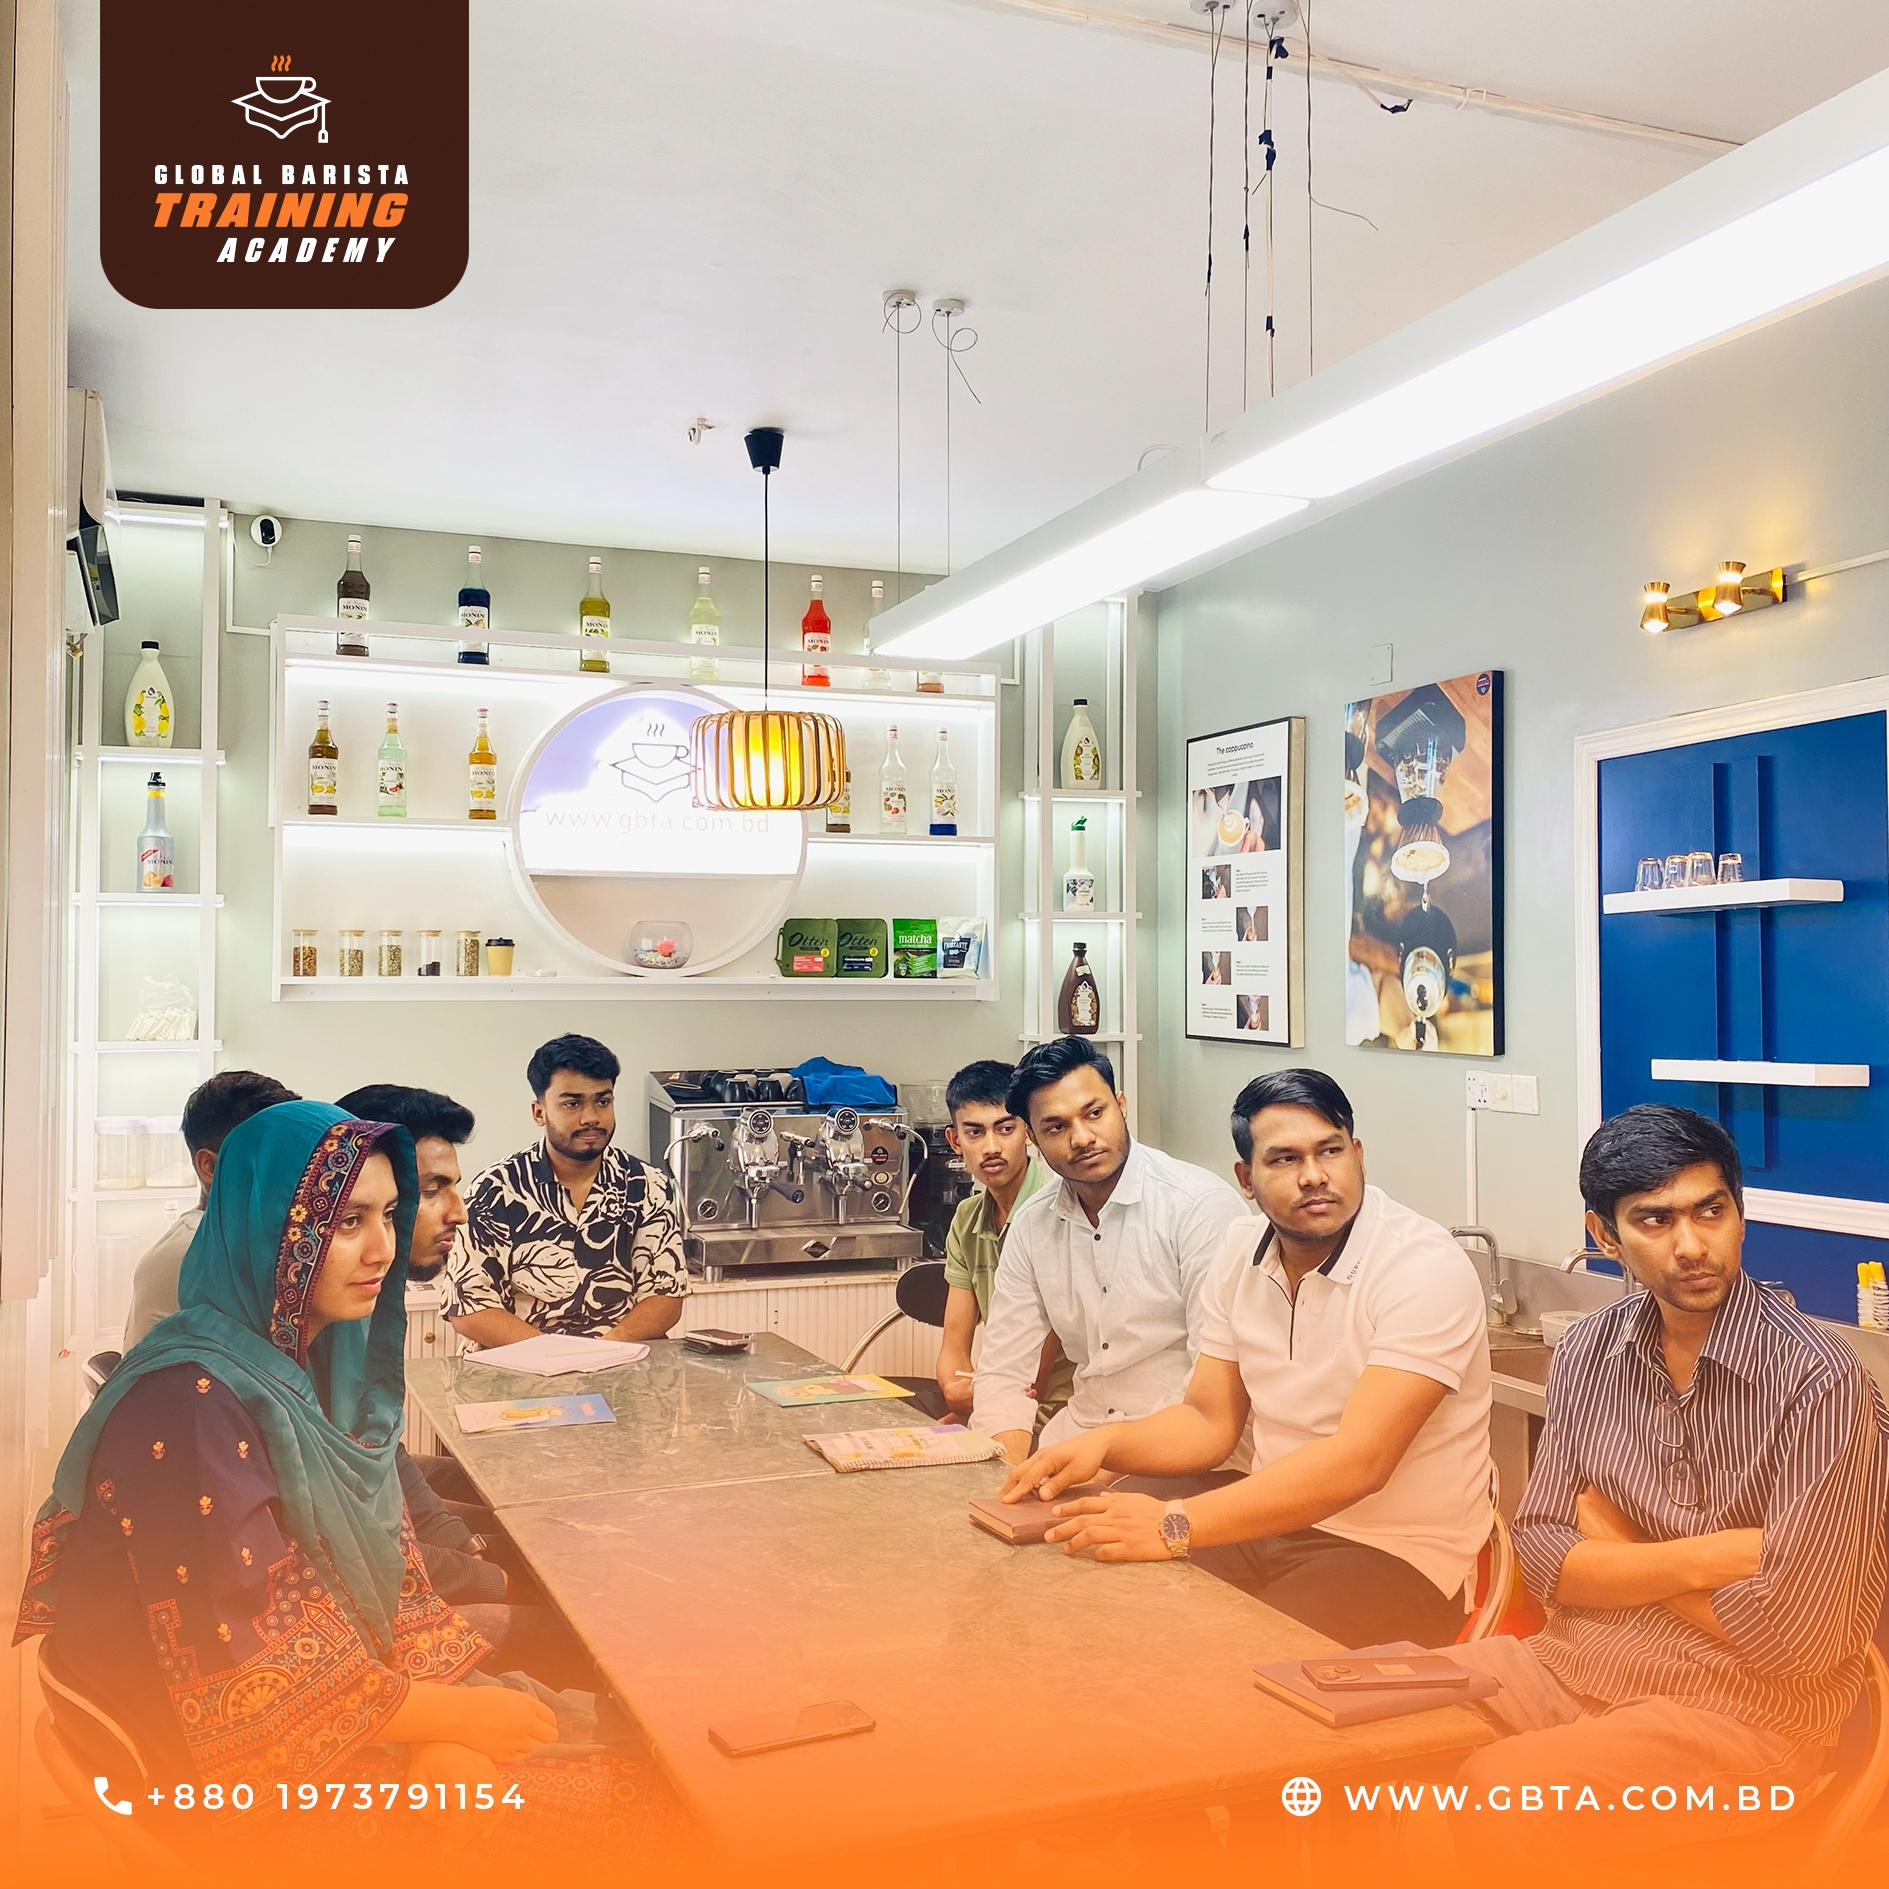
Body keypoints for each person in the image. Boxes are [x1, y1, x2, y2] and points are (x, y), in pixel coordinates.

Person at [15, 1101, 665, 1848]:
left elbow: (368, 1590)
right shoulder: (189, 1405)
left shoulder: (284, 1368)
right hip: (234, 1787)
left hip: (353, 1719)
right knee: (648, 1811)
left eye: (389, 1215)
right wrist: (449, 1718)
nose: (383, 1248)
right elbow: (250, 1682)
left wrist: (436, 1729)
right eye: (347, 1221)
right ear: (269, 1231)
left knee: (636, 1760)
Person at [1437, 1104, 1889, 1870]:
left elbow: (1797, 1640)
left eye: (1710, 1211)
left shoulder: (1820, 1382)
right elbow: (1546, 1556)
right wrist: (1710, 1558)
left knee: (1500, 1791)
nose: (1690, 1244)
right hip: (1570, 1664)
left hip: (1747, 1714)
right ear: (1603, 1233)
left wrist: (1619, 1551)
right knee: (1357, 1714)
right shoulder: (1587, 1350)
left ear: (1738, 1214)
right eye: (1654, 1219)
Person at [1003, 1068, 1492, 1648]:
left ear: (1358, 1155)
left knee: (1231, 1660)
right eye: (1284, 1159)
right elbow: (1209, 1421)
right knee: (1090, 1605)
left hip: (1394, 1550)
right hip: (1266, 1519)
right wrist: (1105, 1445)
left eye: (1330, 1151)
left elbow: (1359, 1463)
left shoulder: (1422, 1266)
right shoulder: (1241, 1249)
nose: (1314, 1176)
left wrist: (1175, 1522)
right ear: (1246, 1179)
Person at [970, 1036, 1247, 1466]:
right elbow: (1003, 1371)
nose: (1082, 1138)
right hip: (1076, 1441)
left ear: (1121, 1104)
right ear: (1031, 1137)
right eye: (1056, 1127)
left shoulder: (1198, 1206)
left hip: (1186, 1454)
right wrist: (1004, 1472)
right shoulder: (1033, 1224)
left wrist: (1104, 1468)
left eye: (1094, 1113)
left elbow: (1210, 1391)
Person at [443, 1034, 686, 1346]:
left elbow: (666, 1295)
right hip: (517, 1364)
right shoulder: (495, 1191)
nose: (591, 1118)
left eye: (603, 1101)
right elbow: (469, 1308)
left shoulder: (648, 1186)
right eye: (572, 1103)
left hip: (622, 1359)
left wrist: (600, 1353)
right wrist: (557, 1357)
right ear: (539, 1113)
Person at [932, 1060, 1069, 1428]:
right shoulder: (967, 1218)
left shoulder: (1058, 1212)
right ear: (955, 1140)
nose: (991, 1147)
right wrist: (955, 1391)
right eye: (974, 1132)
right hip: (997, 1399)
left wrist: (979, 1402)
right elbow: (954, 1347)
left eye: (1005, 1129)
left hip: (1064, 1413)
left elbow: (1034, 1377)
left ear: (1028, 1131)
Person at [123, 1071, 298, 1350]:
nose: (293, 1172)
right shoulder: (198, 1252)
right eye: (272, 1156)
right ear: (210, 1167)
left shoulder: (227, 1240)